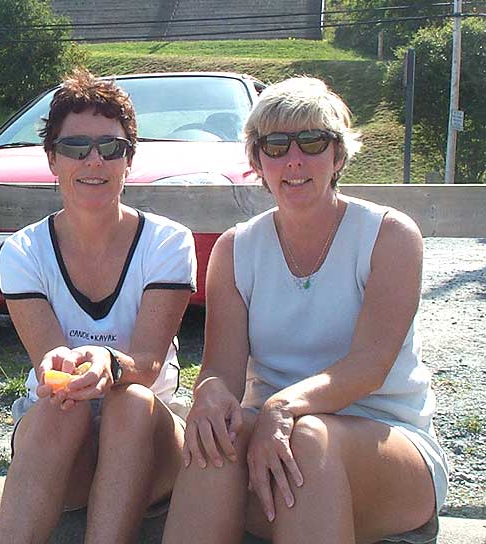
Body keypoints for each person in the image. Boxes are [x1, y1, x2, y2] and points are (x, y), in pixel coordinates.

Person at [163, 77, 449, 544]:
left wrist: (284, 406)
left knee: (309, 436)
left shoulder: (389, 235)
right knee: (216, 436)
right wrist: (210, 395)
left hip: (385, 442)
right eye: (275, 146)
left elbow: (369, 366)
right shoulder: (235, 249)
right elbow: (220, 370)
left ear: (338, 155)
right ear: (257, 160)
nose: (293, 160)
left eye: (312, 142)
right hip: (269, 440)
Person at [0, 68, 196, 544]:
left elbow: (147, 364)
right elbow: (49, 365)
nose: (94, 160)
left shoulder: (168, 243)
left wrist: (108, 363)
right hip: (63, 447)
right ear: (52, 159)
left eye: (111, 147)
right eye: (75, 146)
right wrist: (63, 367)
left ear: (129, 159)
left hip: (151, 447)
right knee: (61, 404)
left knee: (131, 401)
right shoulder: (23, 251)